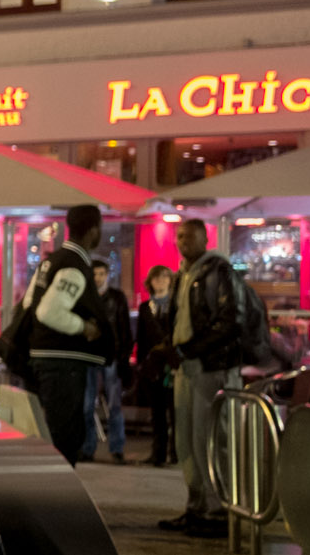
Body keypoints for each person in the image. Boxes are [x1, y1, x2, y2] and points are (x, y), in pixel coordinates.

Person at [157, 219, 245, 539]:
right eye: (179, 236)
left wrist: (188, 349)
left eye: (189, 237)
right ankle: (197, 506)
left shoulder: (217, 271)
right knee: (189, 441)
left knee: (209, 440)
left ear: (205, 238)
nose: (183, 242)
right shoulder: (184, 274)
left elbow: (231, 321)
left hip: (211, 367)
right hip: (189, 365)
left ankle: (215, 511)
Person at [16, 204, 112, 468]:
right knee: (66, 435)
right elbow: (48, 311)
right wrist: (85, 327)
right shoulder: (74, 265)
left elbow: (29, 305)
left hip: (44, 359)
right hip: (62, 363)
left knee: (59, 430)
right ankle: (60, 497)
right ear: (94, 230)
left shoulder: (50, 261)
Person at [81, 259, 134, 465]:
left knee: (114, 405)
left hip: (111, 355)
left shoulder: (117, 298)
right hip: (89, 355)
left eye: (101, 274)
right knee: (87, 406)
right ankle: (88, 448)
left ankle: (117, 448)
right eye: (95, 274)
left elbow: (125, 329)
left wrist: (124, 356)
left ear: (107, 275)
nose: (98, 278)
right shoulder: (85, 298)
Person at [137, 266, 180, 467]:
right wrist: (141, 365)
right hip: (152, 366)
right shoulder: (145, 307)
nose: (161, 281)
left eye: (164, 277)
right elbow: (141, 337)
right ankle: (158, 453)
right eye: (156, 278)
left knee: (176, 412)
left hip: (171, 365)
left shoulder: (176, 305)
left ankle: (176, 453)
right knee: (157, 414)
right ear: (151, 282)